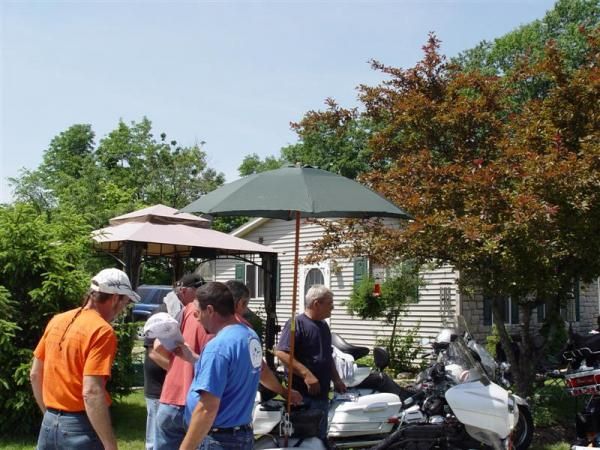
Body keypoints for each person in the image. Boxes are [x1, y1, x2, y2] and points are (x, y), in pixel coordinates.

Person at [30, 268, 140, 450]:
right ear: (114, 298)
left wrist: (51, 416)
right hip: (79, 428)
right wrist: (110, 445)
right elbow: (91, 392)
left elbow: (35, 374)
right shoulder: (102, 331)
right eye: (125, 303)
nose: (123, 310)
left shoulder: (58, 320)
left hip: (49, 423)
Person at [179, 282, 262, 450]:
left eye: (198, 312)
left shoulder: (218, 347)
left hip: (219, 439)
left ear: (209, 310)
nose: (196, 317)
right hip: (241, 435)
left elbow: (207, 408)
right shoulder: (250, 336)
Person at [275, 285, 347, 440]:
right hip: (302, 397)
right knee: (303, 439)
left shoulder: (323, 326)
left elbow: (326, 355)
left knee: (319, 437)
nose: (332, 307)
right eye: (330, 303)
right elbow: (282, 353)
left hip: (321, 395)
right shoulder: (295, 324)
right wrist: (306, 374)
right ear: (317, 303)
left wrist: (336, 378)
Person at [143, 274, 205, 450]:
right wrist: (179, 371)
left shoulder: (189, 313)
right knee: (155, 442)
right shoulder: (164, 312)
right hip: (159, 387)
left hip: (176, 391)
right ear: (184, 291)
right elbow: (153, 352)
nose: (201, 295)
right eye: (198, 291)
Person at [225, 280, 302, 405]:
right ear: (240, 303)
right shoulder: (243, 330)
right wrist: (284, 391)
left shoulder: (200, 318)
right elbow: (260, 369)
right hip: (229, 407)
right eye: (246, 304)